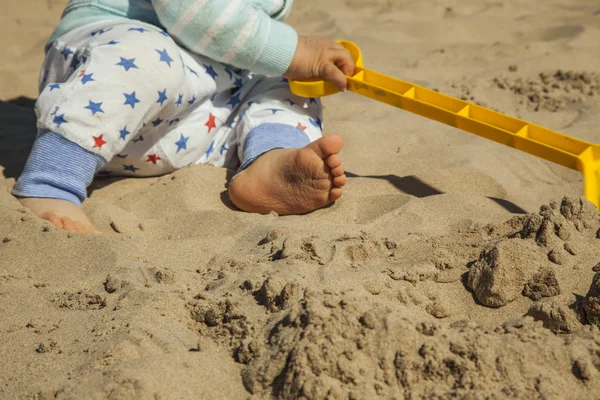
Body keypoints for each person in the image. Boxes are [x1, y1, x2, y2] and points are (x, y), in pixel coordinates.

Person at [13, 0, 354, 233]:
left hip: (191, 111)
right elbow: (193, 12)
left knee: (288, 82)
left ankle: (269, 157)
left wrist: (291, 63)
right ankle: (53, 179)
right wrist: (293, 50)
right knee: (149, 58)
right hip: (109, 70)